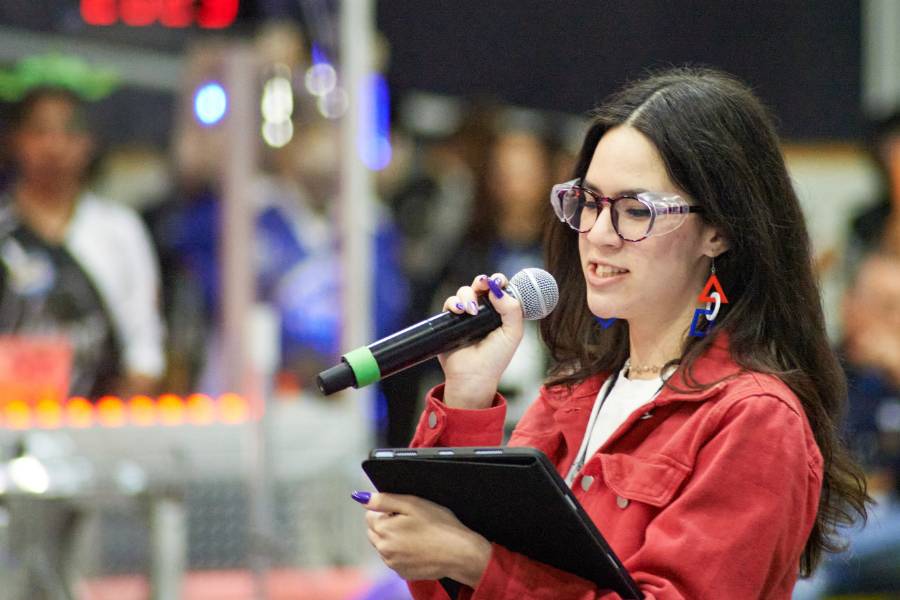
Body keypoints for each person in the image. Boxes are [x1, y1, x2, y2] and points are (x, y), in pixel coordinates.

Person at [352, 67, 870, 599]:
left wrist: (476, 560)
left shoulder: (753, 418)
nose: (598, 235)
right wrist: (467, 393)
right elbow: (448, 592)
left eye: (634, 210)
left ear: (718, 230)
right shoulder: (574, 390)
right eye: (590, 202)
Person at [0, 84, 165, 399]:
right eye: (40, 131)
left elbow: (144, 343)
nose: (54, 146)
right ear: (15, 139)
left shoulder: (119, 229)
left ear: (89, 142)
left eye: (68, 132)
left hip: (98, 423)